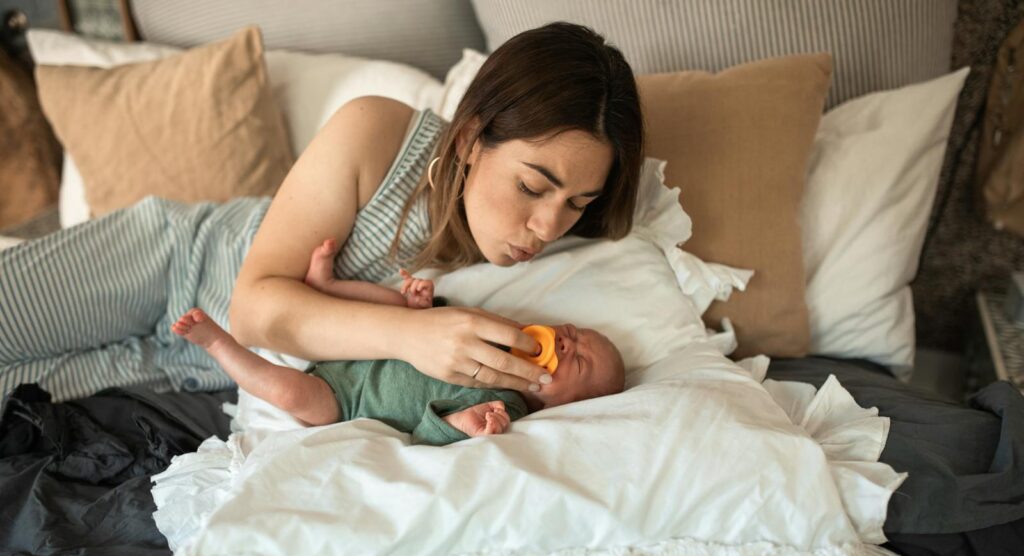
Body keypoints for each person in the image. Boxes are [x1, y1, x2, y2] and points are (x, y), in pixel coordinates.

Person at [0, 22, 644, 404]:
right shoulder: (380, 133)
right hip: (170, 261)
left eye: (576, 205)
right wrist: (413, 336)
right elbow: (255, 308)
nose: (547, 227)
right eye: (533, 187)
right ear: (473, 139)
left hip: (198, 371)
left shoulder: (550, 272)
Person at [171, 239, 626, 446]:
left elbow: (424, 436)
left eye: (579, 361)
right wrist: (421, 307)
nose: (569, 342)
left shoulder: (504, 409)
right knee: (387, 304)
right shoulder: (500, 331)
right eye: (575, 334)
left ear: (561, 407)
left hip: (343, 400)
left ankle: (217, 345)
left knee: (290, 391)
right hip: (367, 346)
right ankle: (325, 287)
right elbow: (441, 324)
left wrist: (464, 424)